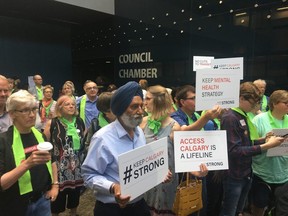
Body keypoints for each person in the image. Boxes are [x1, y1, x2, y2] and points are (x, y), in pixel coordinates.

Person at [81, 81, 171, 216]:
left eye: (141, 105)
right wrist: (113, 188)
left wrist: (159, 171)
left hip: (139, 205)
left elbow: (141, 165)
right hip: (111, 209)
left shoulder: (139, 133)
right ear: (120, 109)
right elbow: (88, 175)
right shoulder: (102, 139)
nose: (140, 111)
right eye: (134, 107)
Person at [219, 82, 285, 216]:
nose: (255, 106)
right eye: (253, 102)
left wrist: (264, 139)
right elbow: (234, 151)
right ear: (241, 98)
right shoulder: (231, 118)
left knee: (238, 210)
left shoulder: (242, 115)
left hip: (245, 173)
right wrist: (266, 146)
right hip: (234, 175)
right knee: (229, 211)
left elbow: (246, 142)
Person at [0, 90, 58, 216]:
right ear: (12, 114)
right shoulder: (3, 141)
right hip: (15, 205)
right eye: (25, 110)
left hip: (42, 200)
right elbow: (2, 184)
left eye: (34, 109)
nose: (32, 115)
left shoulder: (40, 135)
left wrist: (55, 186)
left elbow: (52, 160)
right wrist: (27, 164)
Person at [170, 84, 221, 216]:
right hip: (186, 170)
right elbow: (183, 133)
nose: (196, 101)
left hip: (200, 167)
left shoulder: (196, 116)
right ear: (182, 102)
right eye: (193, 98)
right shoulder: (175, 117)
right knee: (188, 206)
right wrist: (206, 117)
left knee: (200, 203)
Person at [140, 85, 182, 215]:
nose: (144, 102)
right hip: (144, 177)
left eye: (148, 98)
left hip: (165, 181)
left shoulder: (174, 126)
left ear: (158, 101)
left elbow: (181, 158)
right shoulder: (142, 122)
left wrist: (197, 171)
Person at [43, 95, 85, 216]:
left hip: (76, 166)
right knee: (57, 199)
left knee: (75, 193)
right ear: (60, 107)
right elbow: (46, 143)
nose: (71, 106)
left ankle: (73, 212)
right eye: (67, 104)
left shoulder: (79, 121)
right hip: (58, 166)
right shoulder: (52, 123)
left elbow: (83, 138)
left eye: (73, 104)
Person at [250, 90, 288, 216]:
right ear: (274, 104)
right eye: (285, 102)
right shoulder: (259, 120)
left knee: (283, 209)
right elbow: (250, 143)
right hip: (262, 173)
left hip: (284, 174)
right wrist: (265, 140)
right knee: (259, 206)